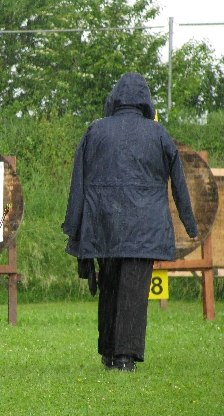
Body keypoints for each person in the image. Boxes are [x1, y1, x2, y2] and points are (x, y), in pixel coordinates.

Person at [62, 72, 198, 372]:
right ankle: (125, 356)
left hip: (104, 224)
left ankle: (109, 353)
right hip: (145, 228)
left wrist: (74, 229)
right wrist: (190, 225)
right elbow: (179, 183)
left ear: (116, 99)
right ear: (145, 102)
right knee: (134, 292)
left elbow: (78, 184)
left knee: (109, 286)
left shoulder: (95, 131)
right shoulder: (158, 133)